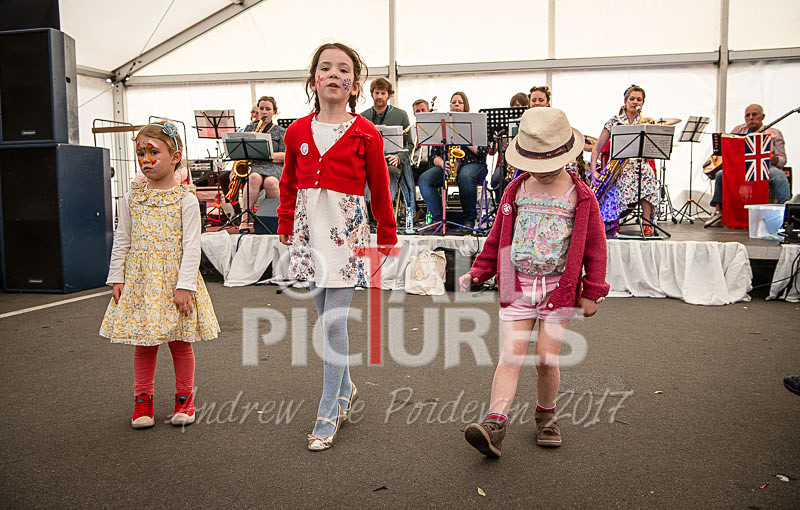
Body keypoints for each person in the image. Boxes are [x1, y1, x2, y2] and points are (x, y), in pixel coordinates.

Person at [459, 107, 609, 457]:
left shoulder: (580, 195)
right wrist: (480, 270)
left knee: (544, 358)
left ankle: (546, 416)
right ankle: (495, 424)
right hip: (517, 285)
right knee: (510, 355)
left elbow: (595, 246)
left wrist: (593, 291)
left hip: (560, 288)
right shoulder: (516, 190)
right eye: (535, 164)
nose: (541, 172)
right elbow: (499, 237)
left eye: (548, 164)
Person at [277, 42, 397, 451]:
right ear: (314, 79)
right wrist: (284, 221)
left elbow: (380, 187)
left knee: (333, 324)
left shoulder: (366, 133)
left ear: (355, 84)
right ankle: (346, 388)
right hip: (309, 229)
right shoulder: (296, 131)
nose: (333, 75)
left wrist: (387, 232)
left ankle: (328, 411)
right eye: (325, 68)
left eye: (342, 69)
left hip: (347, 232)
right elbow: (290, 182)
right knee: (323, 316)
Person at [100, 121, 220, 429]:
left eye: (153, 152)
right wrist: (118, 277)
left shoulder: (186, 200)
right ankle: (143, 401)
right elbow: (122, 238)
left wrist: (184, 286)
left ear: (175, 157)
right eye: (140, 153)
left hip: (175, 281)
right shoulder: (132, 198)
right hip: (141, 283)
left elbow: (192, 247)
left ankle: (185, 400)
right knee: (145, 342)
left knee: (180, 342)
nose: (146, 159)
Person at [704, 104, 791, 227]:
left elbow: (783, 159)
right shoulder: (738, 130)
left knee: (780, 176)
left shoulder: (774, 133)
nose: (751, 118)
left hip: (764, 167)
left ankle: (786, 213)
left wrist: (773, 158)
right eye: (747, 115)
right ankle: (719, 212)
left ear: (762, 116)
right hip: (739, 168)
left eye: (754, 114)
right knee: (720, 175)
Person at [589, 85, 659, 235]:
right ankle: (616, 219)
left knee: (647, 172)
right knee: (625, 175)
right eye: (632, 99)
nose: (635, 102)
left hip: (640, 164)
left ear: (643, 103)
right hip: (619, 165)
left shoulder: (646, 122)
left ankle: (647, 222)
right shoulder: (614, 121)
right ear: (625, 101)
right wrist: (594, 171)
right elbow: (596, 148)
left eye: (638, 100)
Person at [419, 91, 489, 230]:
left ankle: (469, 220)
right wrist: (441, 163)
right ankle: (438, 219)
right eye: (453, 102)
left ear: (466, 106)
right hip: (448, 164)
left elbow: (483, 152)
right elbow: (434, 155)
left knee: (465, 176)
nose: (456, 104)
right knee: (424, 179)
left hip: (474, 164)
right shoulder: (443, 125)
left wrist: (463, 137)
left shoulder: (475, 124)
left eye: (460, 102)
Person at [360, 78, 415, 232]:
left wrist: (398, 156)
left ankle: (383, 213)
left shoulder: (401, 115)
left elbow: (409, 145)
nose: (379, 96)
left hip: (392, 163)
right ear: (372, 94)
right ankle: (369, 214)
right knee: (361, 174)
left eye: (383, 93)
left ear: (389, 95)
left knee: (388, 173)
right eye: (376, 93)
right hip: (370, 163)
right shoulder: (363, 117)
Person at [242, 96, 287, 213]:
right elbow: (242, 151)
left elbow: (286, 155)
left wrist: (267, 154)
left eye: (268, 109)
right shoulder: (250, 128)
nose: (264, 112)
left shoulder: (281, 131)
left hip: (274, 166)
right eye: (262, 108)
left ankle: (274, 220)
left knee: (271, 182)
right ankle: (245, 218)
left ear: (274, 112)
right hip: (255, 166)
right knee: (254, 177)